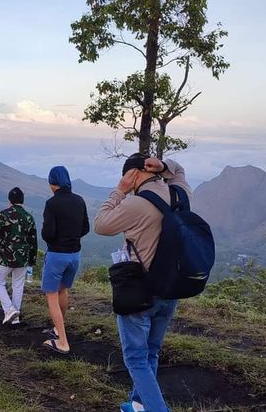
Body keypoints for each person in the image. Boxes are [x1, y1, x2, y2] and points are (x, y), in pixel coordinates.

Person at [94, 154, 190, 412]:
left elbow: (101, 225)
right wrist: (163, 165)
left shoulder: (136, 203)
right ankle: (138, 405)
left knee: (136, 358)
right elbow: (179, 170)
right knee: (151, 352)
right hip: (171, 290)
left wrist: (119, 191)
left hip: (140, 292)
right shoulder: (179, 194)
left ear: (132, 174)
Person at [40, 165, 89, 355]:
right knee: (63, 290)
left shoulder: (52, 204)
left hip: (56, 255)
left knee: (51, 295)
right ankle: (59, 329)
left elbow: (48, 233)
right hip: (74, 255)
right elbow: (85, 228)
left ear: (53, 183)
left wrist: (54, 241)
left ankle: (62, 342)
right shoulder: (79, 200)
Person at [0, 187, 38, 325]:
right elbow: (33, 240)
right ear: (22, 200)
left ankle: (9, 309)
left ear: (9, 200)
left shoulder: (4, 215)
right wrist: (32, 259)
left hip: (4, 257)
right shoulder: (29, 217)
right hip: (23, 258)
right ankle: (15, 317)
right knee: (18, 285)